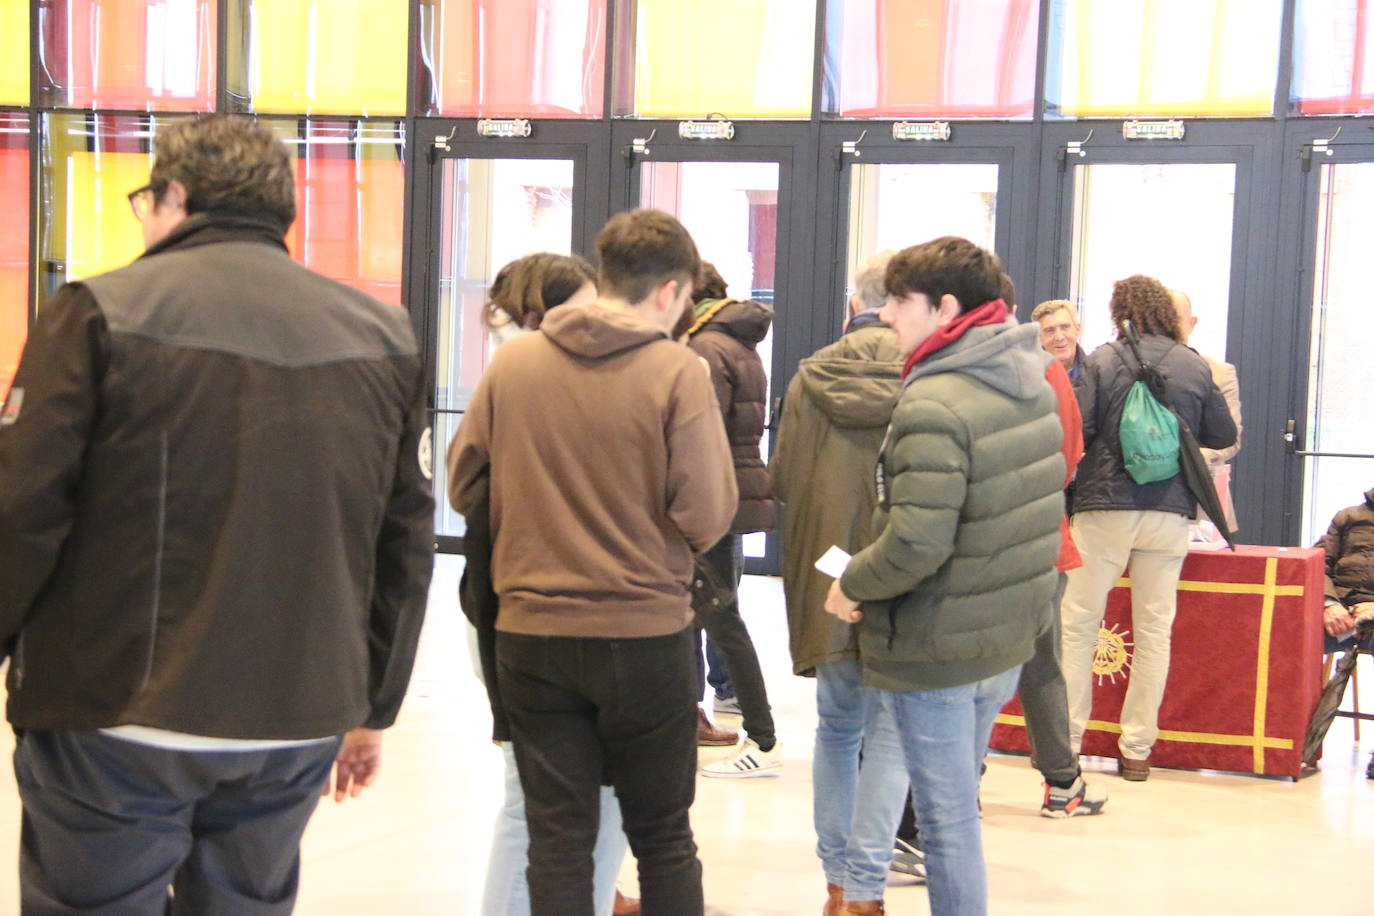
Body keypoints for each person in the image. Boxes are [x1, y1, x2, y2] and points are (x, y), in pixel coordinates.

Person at [0, 115, 434, 912]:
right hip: (299, 714)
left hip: (118, 707)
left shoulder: (100, 310)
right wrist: (373, 699)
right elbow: (403, 538)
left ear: (175, 195)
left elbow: (22, 510)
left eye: (144, 200)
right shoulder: (384, 333)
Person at [447, 208, 736, 916]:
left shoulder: (515, 362)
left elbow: (462, 484)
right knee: (663, 836)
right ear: (671, 290)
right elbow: (706, 513)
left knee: (555, 839)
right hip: (643, 635)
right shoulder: (676, 371)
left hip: (531, 634)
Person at [823, 237, 1065, 916]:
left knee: (948, 822)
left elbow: (916, 541)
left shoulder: (935, 402)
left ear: (946, 307)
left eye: (900, 301)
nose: (888, 313)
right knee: (956, 814)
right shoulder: (1028, 379)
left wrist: (853, 585)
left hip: (940, 645)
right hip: (1003, 636)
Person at [458, 253, 638, 916]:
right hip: (519, 621)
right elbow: (473, 508)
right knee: (540, 800)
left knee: (596, 795)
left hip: (566, 620)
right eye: (583, 307)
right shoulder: (520, 383)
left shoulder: (525, 379)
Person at [770, 250, 911, 915]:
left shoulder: (807, 381)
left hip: (829, 571)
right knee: (891, 731)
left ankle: (834, 880)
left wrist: (828, 559)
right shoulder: (927, 376)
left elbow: (786, 483)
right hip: (905, 573)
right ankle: (866, 887)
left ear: (855, 304)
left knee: (837, 726)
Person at [1060, 275, 1236, 782]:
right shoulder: (1192, 363)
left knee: (1079, 626)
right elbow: (1221, 433)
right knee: (1155, 630)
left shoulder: (1101, 359)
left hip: (1104, 506)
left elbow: (1080, 427)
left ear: (1122, 312)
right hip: (1168, 510)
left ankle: (1066, 745)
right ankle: (1137, 750)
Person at [1015, 282, 1110, 818]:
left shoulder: (942, 368)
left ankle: (960, 782)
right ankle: (1061, 784)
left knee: (965, 666)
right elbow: (1070, 454)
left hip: (971, 541)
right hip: (1039, 534)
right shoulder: (1047, 373)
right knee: (1042, 663)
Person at [685, 261, 783, 778]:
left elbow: (694, 436)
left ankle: (764, 739)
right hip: (728, 495)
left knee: (719, 616)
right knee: (710, 611)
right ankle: (690, 717)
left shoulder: (702, 348)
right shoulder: (737, 343)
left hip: (704, 500)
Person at [1168, 288, 1243, 534]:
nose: (1167, 327)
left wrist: (1188, 459)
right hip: (1145, 508)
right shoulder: (1132, 369)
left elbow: (1231, 441)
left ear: (1192, 324)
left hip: (1204, 505)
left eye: (1175, 319)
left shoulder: (1220, 372)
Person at [1032, 299, 1087, 382]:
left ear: (1078, 329)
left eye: (1065, 327)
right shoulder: (1026, 378)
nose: (1059, 337)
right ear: (1039, 337)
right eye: (1050, 330)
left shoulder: (1096, 376)